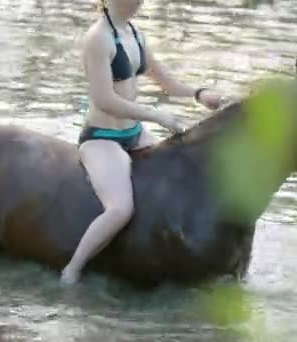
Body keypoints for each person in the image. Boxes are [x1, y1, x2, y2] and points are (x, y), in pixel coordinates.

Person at [60, 0, 227, 284]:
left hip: (134, 134)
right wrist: (157, 116)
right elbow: (104, 100)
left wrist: (199, 93)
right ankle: (72, 270)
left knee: (181, 167)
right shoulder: (98, 39)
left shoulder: (135, 35)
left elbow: (168, 84)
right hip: (102, 138)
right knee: (120, 208)